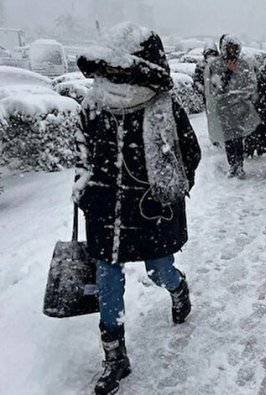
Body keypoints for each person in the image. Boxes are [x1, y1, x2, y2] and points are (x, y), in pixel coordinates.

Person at [73, 22, 201, 395]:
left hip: (150, 210)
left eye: (121, 68)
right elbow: (82, 154)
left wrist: (170, 189)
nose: (114, 75)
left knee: (159, 270)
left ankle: (178, 289)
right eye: (109, 69)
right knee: (108, 280)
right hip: (105, 210)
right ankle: (115, 357)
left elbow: (188, 154)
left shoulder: (164, 107)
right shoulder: (93, 105)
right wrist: (84, 190)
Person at [204, 34, 259, 178]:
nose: (231, 50)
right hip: (223, 107)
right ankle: (232, 165)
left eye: (234, 47)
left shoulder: (244, 65)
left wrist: (241, 96)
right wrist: (228, 73)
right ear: (223, 48)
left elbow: (251, 85)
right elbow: (215, 87)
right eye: (228, 47)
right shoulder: (215, 65)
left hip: (240, 108)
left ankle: (239, 166)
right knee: (228, 137)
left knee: (238, 137)